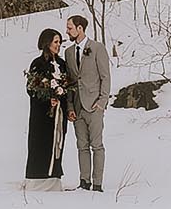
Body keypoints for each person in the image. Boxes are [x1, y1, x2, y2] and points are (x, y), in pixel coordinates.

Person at [62, 14, 110, 192]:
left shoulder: (97, 48)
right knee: (81, 146)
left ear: (80, 28)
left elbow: (105, 76)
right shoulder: (68, 52)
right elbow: (70, 82)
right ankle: (84, 182)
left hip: (94, 105)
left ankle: (97, 184)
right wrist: (70, 107)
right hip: (77, 106)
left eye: (70, 28)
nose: (67, 31)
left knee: (97, 145)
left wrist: (102, 102)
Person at [24, 28, 69, 186]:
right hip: (42, 115)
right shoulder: (37, 63)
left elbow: (67, 87)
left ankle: (54, 177)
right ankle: (37, 179)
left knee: (57, 142)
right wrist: (47, 99)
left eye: (59, 42)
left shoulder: (62, 64)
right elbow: (31, 88)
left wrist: (61, 97)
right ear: (47, 43)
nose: (58, 45)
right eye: (56, 42)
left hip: (59, 113)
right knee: (40, 143)